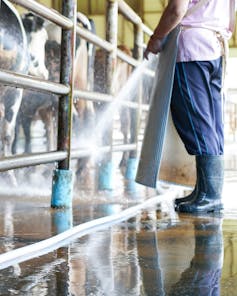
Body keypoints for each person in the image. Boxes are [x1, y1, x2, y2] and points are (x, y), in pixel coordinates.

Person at [138, 0, 235, 213]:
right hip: (215, 49)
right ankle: (205, 190)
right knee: (211, 121)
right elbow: (231, 20)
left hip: (191, 51)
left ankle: (210, 194)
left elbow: (176, 9)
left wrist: (156, 38)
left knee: (195, 120)